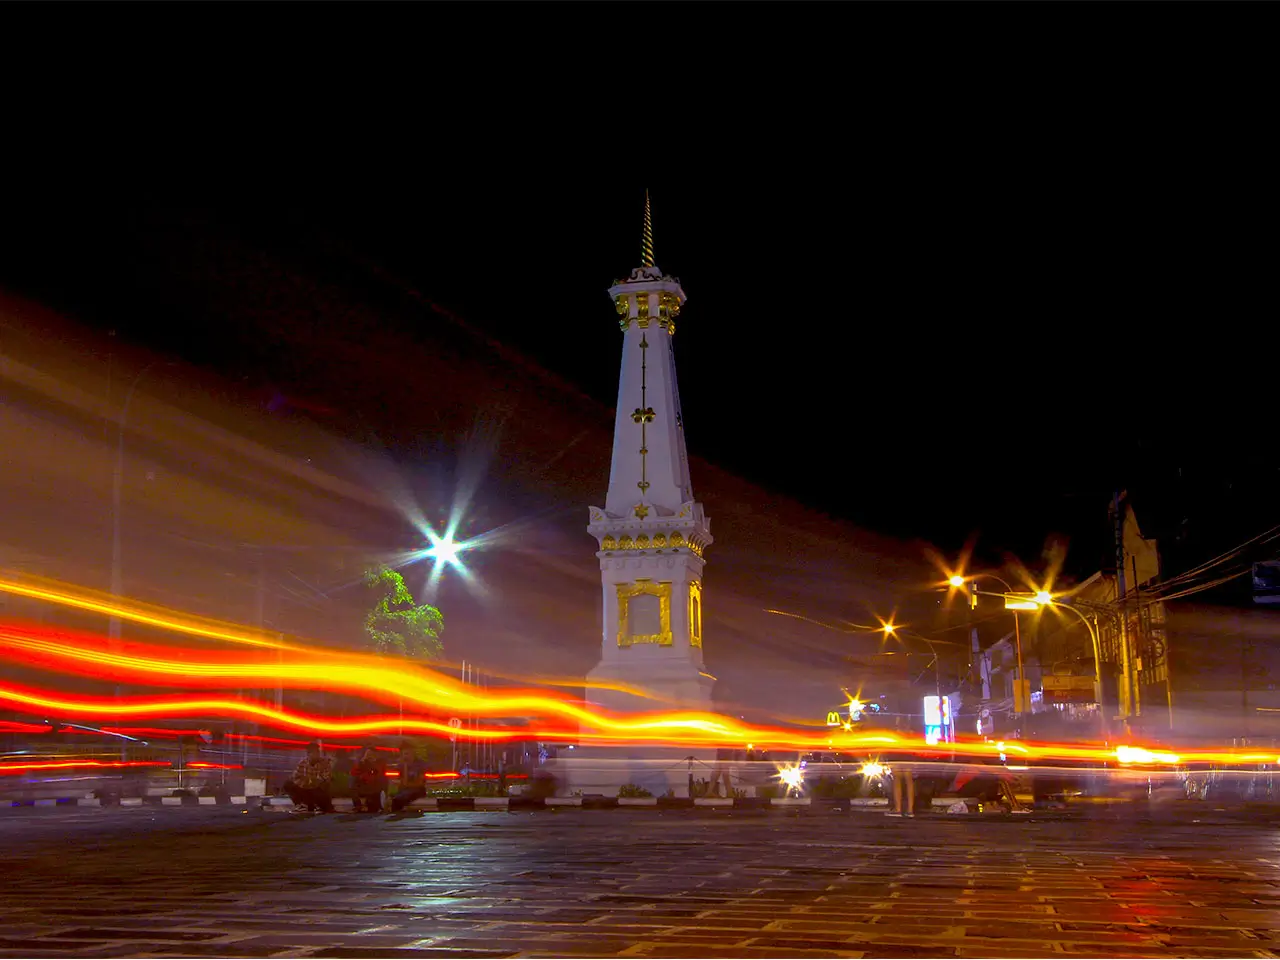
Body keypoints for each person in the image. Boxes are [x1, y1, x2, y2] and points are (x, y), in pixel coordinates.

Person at [284, 741, 334, 813]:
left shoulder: (324, 763)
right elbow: (296, 777)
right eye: (314, 752)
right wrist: (307, 781)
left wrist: (312, 781)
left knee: (324, 785)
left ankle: (319, 805)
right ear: (309, 754)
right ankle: (301, 805)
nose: (317, 754)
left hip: (317, 789)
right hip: (305, 788)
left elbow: (326, 778)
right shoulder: (302, 763)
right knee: (289, 784)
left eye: (317, 752)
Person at [389, 742, 428, 812]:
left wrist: (407, 785)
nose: (406, 756)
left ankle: (396, 816)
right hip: (404, 790)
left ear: (413, 753)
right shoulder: (401, 766)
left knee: (398, 800)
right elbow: (403, 782)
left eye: (407, 753)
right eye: (404, 754)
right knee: (394, 799)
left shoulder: (420, 765)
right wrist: (405, 766)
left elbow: (420, 783)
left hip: (418, 790)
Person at [351, 747, 388, 813]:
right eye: (367, 753)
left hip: (375, 788)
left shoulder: (379, 763)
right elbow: (354, 773)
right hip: (364, 785)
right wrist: (361, 763)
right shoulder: (362, 763)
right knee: (353, 783)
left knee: (372, 808)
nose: (369, 755)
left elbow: (377, 773)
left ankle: (376, 804)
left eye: (370, 754)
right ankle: (358, 805)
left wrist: (371, 767)